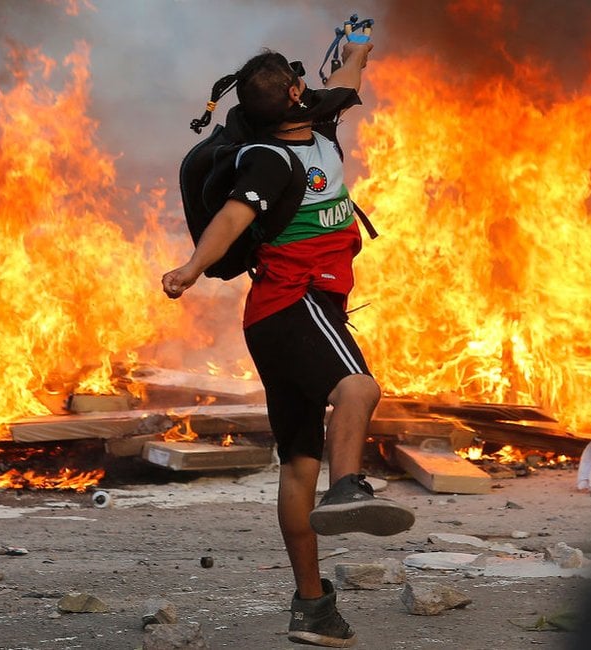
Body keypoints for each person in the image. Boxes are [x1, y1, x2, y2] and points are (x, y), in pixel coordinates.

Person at [163, 39, 414, 647]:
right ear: (295, 94)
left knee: (299, 461)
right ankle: (349, 486)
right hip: (293, 304)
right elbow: (231, 217)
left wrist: (358, 49)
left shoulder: (316, 119)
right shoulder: (271, 160)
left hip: (278, 318)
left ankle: (314, 609)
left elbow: (348, 84)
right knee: (358, 387)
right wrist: (192, 268)